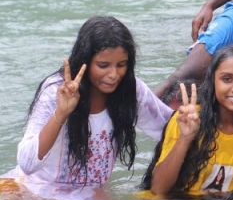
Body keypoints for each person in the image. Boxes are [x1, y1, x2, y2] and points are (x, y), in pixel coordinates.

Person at [10, 16, 172, 190]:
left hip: (87, 196)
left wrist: (188, 119)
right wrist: (61, 114)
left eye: (121, 65)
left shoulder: (130, 90)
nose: (114, 75)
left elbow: (168, 127)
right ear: (84, 62)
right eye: (103, 65)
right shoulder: (56, 91)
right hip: (35, 190)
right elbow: (27, 164)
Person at [142, 46, 233, 197]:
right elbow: (158, 190)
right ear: (213, 82)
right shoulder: (188, 118)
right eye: (227, 79)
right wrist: (185, 138)